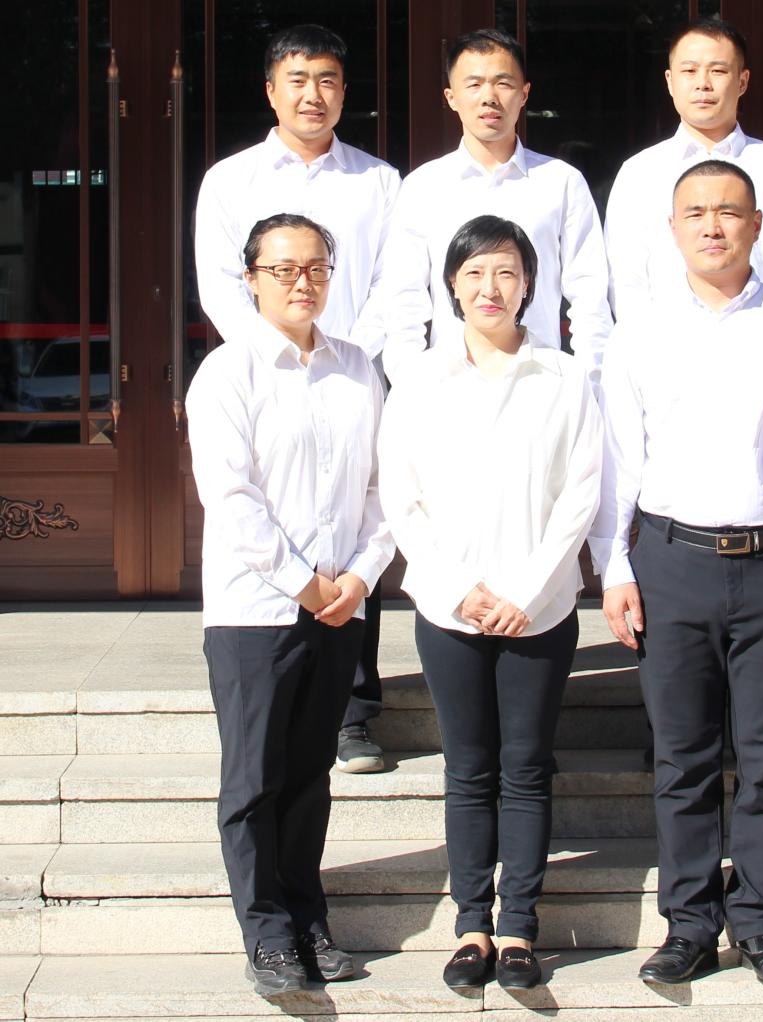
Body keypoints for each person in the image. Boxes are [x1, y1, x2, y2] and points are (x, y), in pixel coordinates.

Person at [590, 161, 763, 987]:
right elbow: (617, 462)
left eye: (730, 212)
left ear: (757, 226)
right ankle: (689, 926)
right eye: (697, 213)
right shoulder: (638, 331)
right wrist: (614, 564)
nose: (713, 226)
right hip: (672, 563)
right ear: (672, 230)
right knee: (683, 758)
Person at [378, 215, 602, 991]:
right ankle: (472, 925)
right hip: (450, 611)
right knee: (469, 769)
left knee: (527, 768)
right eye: (474, 272)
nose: (490, 287)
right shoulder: (419, 381)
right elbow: (401, 498)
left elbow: (581, 495)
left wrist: (528, 590)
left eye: (506, 271)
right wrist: (457, 589)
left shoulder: (564, 378)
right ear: (451, 285)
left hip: (540, 610)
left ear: (529, 283)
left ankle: (518, 930)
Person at [186, 214, 393, 996]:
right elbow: (231, 498)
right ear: (251, 279)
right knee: (254, 781)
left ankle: (309, 920)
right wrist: (305, 583)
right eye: (283, 270)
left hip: (340, 608)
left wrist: (360, 578)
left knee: (309, 776)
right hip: (256, 613)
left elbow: (384, 486)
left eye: (316, 268)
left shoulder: (357, 367)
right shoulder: (228, 373)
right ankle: (267, 935)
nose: (302, 282)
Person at [194, 23, 400, 775]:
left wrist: (345, 354)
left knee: (352, 518)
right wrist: (277, 348)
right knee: (274, 510)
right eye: (298, 79)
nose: (313, 94)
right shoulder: (230, 180)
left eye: (328, 80)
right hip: (265, 374)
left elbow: (394, 284)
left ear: (344, 92)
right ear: (271, 91)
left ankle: (355, 713)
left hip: (352, 374)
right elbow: (221, 283)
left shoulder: (379, 182)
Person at [381, 29, 611, 387]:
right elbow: (402, 300)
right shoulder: (423, 187)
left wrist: (589, 384)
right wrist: (410, 383)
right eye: (474, 84)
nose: (489, 97)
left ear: (524, 94)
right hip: (449, 386)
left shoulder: (561, 182)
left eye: (503, 83)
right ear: (451, 97)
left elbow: (589, 296)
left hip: (542, 383)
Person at [604, 17, 763, 321]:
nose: (703, 83)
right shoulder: (639, 174)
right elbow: (626, 281)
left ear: (742, 81)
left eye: (718, 71)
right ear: (670, 81)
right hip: (668, 341)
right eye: (689, 71)